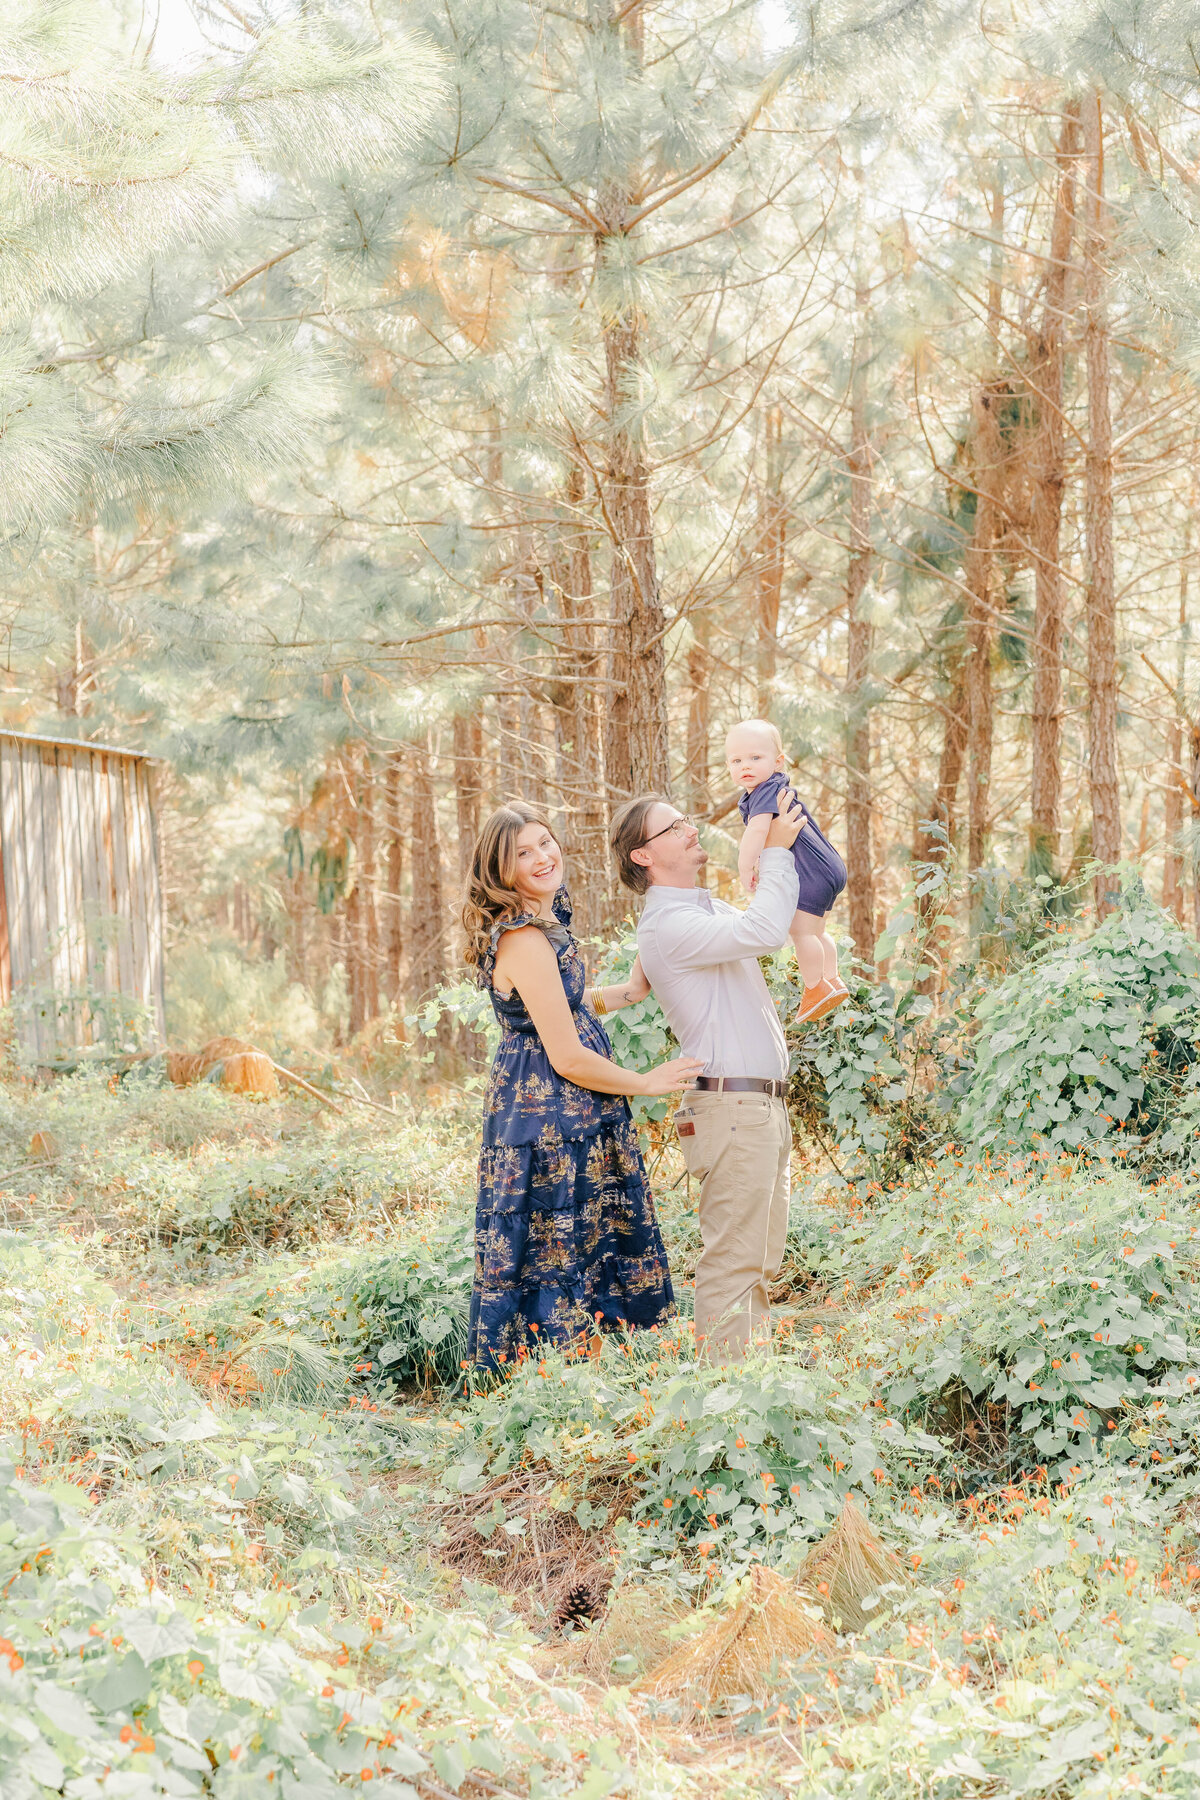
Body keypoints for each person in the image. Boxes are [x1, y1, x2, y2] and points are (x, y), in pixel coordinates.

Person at [461, 801, 703, 1373]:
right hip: (548, 1115)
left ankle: (592, 1371)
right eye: (523, 853)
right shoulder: (524, 938)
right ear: (501, 869)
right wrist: (647, 1082)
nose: (544, 857)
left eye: (546, 843)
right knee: (557, 1239)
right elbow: (566, 1053)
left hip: (562, 1108)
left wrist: (628, 991)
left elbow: (557, 1007)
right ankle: (552, 1381)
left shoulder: (541, 926)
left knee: (578, 1234)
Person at [610, 791, 805, 1362]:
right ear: (644, 856)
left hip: (758, 1109)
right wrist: (777, 854)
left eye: (683, 820)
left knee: (760, 1258)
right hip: (732, 1110)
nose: (689, 829)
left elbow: (769, 921)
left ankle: (754, 1384)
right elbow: (767, 931)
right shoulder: (669, 925)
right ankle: (726, 1402)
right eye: (671, 829)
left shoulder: (701, 911)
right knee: (736, 1259)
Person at [725, 718, 849, 1024]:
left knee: (801, 931)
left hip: (811, 870)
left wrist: (745, 866)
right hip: (827, 865)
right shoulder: (773, 787)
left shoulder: (765, 791)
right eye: (737, 760)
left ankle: (815, 988)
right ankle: (832, 980)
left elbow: (757, 831)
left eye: (756, 758)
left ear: (778, 761)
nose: (746, 766)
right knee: (818, 931)